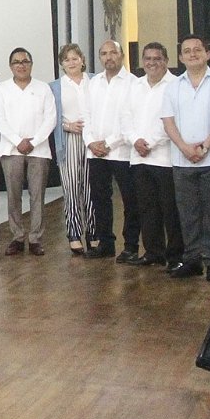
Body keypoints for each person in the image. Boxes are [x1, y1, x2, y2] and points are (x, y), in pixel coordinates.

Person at [161, 35, 210, 282]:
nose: (192, 54)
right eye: (187, 51)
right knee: (187, 214)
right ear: (181, 57)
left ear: (208, 54)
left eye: (197, 50)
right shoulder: (173, 86)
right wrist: (184, 148)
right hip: (182, 161)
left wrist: (204, 146)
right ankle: (192, 260)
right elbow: (168, 121)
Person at [0, 48, 56, 256]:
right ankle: (17, 237)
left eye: (25, 61)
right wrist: (18, 141)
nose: (21, 65)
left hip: (39, 150)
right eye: (16, 62)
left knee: (37, 196)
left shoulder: (43, 88)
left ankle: (35, 238)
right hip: (11, 149)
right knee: (13, 195)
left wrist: (34, 141)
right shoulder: (1, 89)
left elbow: (51, 118)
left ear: (31, 64)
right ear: (11, 66)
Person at [124, 42, 183, 267]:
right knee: (147, 208)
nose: (152, 63)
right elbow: (125, 117)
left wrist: (150, 142)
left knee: (170, 210)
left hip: (165, 158)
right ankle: (153, 252)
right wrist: (135, 140)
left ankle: (175, 255)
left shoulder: (176, 85)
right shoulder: (135, 86)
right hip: (139, 157)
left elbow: (174, 121)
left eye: (157, 58)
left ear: (166, 61)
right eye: (148, 58)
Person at [83, 40, 137, 260]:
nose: (108, 57)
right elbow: (86, 115)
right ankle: (106, 244)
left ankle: (131, 246)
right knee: (100, 199)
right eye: (104, 53)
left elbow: (131, 120)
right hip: (95, 152)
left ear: (121, 55)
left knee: (130, 200)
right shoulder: (94, 83)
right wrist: (91, 142)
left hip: (122, 152)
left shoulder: (133, 83)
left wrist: (108, 143)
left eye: (113, 53)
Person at [52, 42, 93, 255]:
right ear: (61, 63)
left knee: (91, 188)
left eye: (75, 58)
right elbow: (50, 117)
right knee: (71, 188)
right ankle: (74, 233)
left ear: (82, 60)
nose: (71, 62)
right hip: (68, 140)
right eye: (66, 59)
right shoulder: (55, 87)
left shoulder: (94, 81)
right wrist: (67, 126)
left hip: (92, 141)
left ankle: (93, 233)